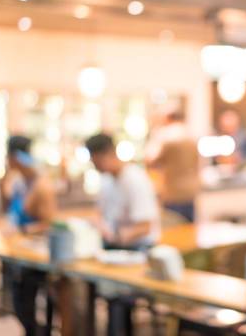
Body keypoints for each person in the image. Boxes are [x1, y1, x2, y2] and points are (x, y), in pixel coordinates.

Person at [85, 133, 161, 336]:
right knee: (83, 286)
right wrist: (101, 227)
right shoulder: (107, 180)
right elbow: (99, 213)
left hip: (138, 250)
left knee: (115, 297)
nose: (95, 166)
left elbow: (145, 227)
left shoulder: (135, 180)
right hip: (114, 248)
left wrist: (118, 236)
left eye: (95, 161)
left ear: (107, 154)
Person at [0, 135, 57, 336]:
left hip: (38, 254)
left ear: (14, 157)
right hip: (20, 252)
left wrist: (25, 230)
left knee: (26, 302)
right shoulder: (19, 181)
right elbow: (8, 211)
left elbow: (51, 223)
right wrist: (2, 182)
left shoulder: (41, 184)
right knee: (19, 302)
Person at [146, 110, 200, 222]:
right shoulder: (191, 137)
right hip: (190, 191)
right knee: (190, 229)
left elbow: (151, 161)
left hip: (172, 192)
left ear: (168, 119)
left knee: (174, 228)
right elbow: (197, 163)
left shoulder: (166, 137)